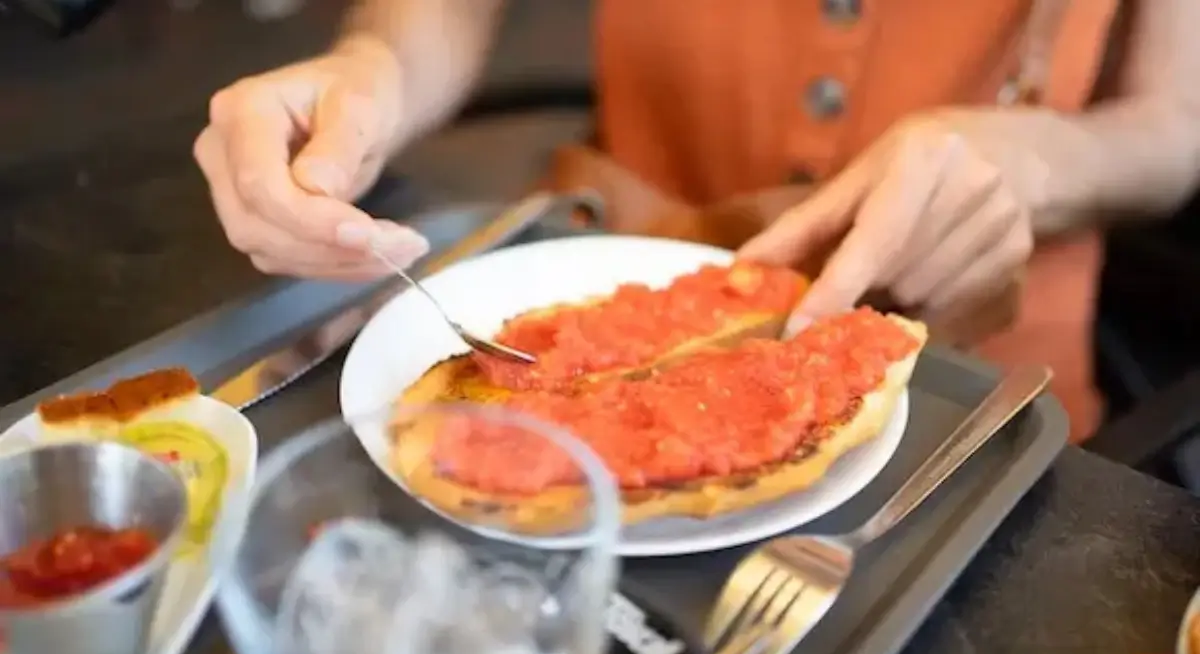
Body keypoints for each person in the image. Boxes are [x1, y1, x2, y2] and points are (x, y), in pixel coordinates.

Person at [194, 0, 1200, 443]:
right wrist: (371, 73)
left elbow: (1177, 122)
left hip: (974, 387)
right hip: (592, 282)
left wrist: (1028, 162)